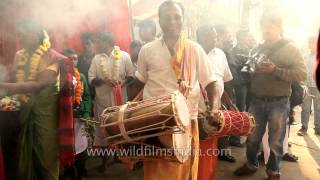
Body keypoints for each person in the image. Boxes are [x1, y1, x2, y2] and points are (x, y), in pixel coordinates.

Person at [133, 1, 221, 180]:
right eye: (167, 17)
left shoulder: (194, 49)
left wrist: (214, 108)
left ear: (183, 19)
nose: (173, 21)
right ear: (160, 20)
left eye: (177, 17)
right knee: (156, 172)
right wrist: (132, 113)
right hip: (155, 121)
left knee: (185, 171)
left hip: (186, 120)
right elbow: (139, 83)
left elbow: (212, 83)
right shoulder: (147, 50)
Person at [234, 12, 307, 180]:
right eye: (263, 27)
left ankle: (273, 171)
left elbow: (302, 74)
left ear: (279, 28)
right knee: (252, 137)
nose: (265, 30)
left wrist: (275, 70)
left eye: (269, 27)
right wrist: (247, 67)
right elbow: (251, 72)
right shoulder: (259, 47)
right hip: (256, 101)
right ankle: (252, 164)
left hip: (279, 102)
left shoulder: (291, 48)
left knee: (276, 140)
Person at [0, 19, 62, 180]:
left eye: (24, 34)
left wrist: (4, 86)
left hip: (45, 111)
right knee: (25, 149)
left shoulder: (51, 56)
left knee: (45, 150)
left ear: (36, 35)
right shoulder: (19, 55)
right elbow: (16, 77)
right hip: (25, 107)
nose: (20, 37)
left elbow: (39, 85)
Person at [197, 24, 233, 180]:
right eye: (211, 36)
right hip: (194, 110)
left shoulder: (220, 54)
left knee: (210, 146)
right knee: (194, 148)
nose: (215, 39)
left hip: (214, 110)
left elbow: (225, 81)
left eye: (215, 36)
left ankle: (207, 176)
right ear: (200, 37)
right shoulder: (191, 52)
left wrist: (229, 102)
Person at [88, 32, 134, 147]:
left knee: (121, 129)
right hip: (103, 104)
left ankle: (121, 156)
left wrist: (123, 82)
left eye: (100, 41)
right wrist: (104, 81)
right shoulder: (96, 59)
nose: (97, 44)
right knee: (103, 132)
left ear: (107, 42)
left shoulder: (124, 56)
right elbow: (91, 79)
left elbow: (132, 76)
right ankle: (106, 159)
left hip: (121, 103)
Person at [62, 48, 92, 180]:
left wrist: (85, 113)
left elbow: (86, 97)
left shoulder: (82, 77)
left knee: (81, 145)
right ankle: (68, 170)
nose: (72, 61)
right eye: (69, 58)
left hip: (79, 118)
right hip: (65, 119)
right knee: (66, 146)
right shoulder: (59, 78)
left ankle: (81, 171)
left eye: (75, 58)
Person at [298, 36, 320, 136]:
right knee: (305, 108)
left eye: (313, 43)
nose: (310, 45)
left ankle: (318, 127)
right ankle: (304, 127)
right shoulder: (305, 56)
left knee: (318, 108)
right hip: (306, 86)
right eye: (309, 43)